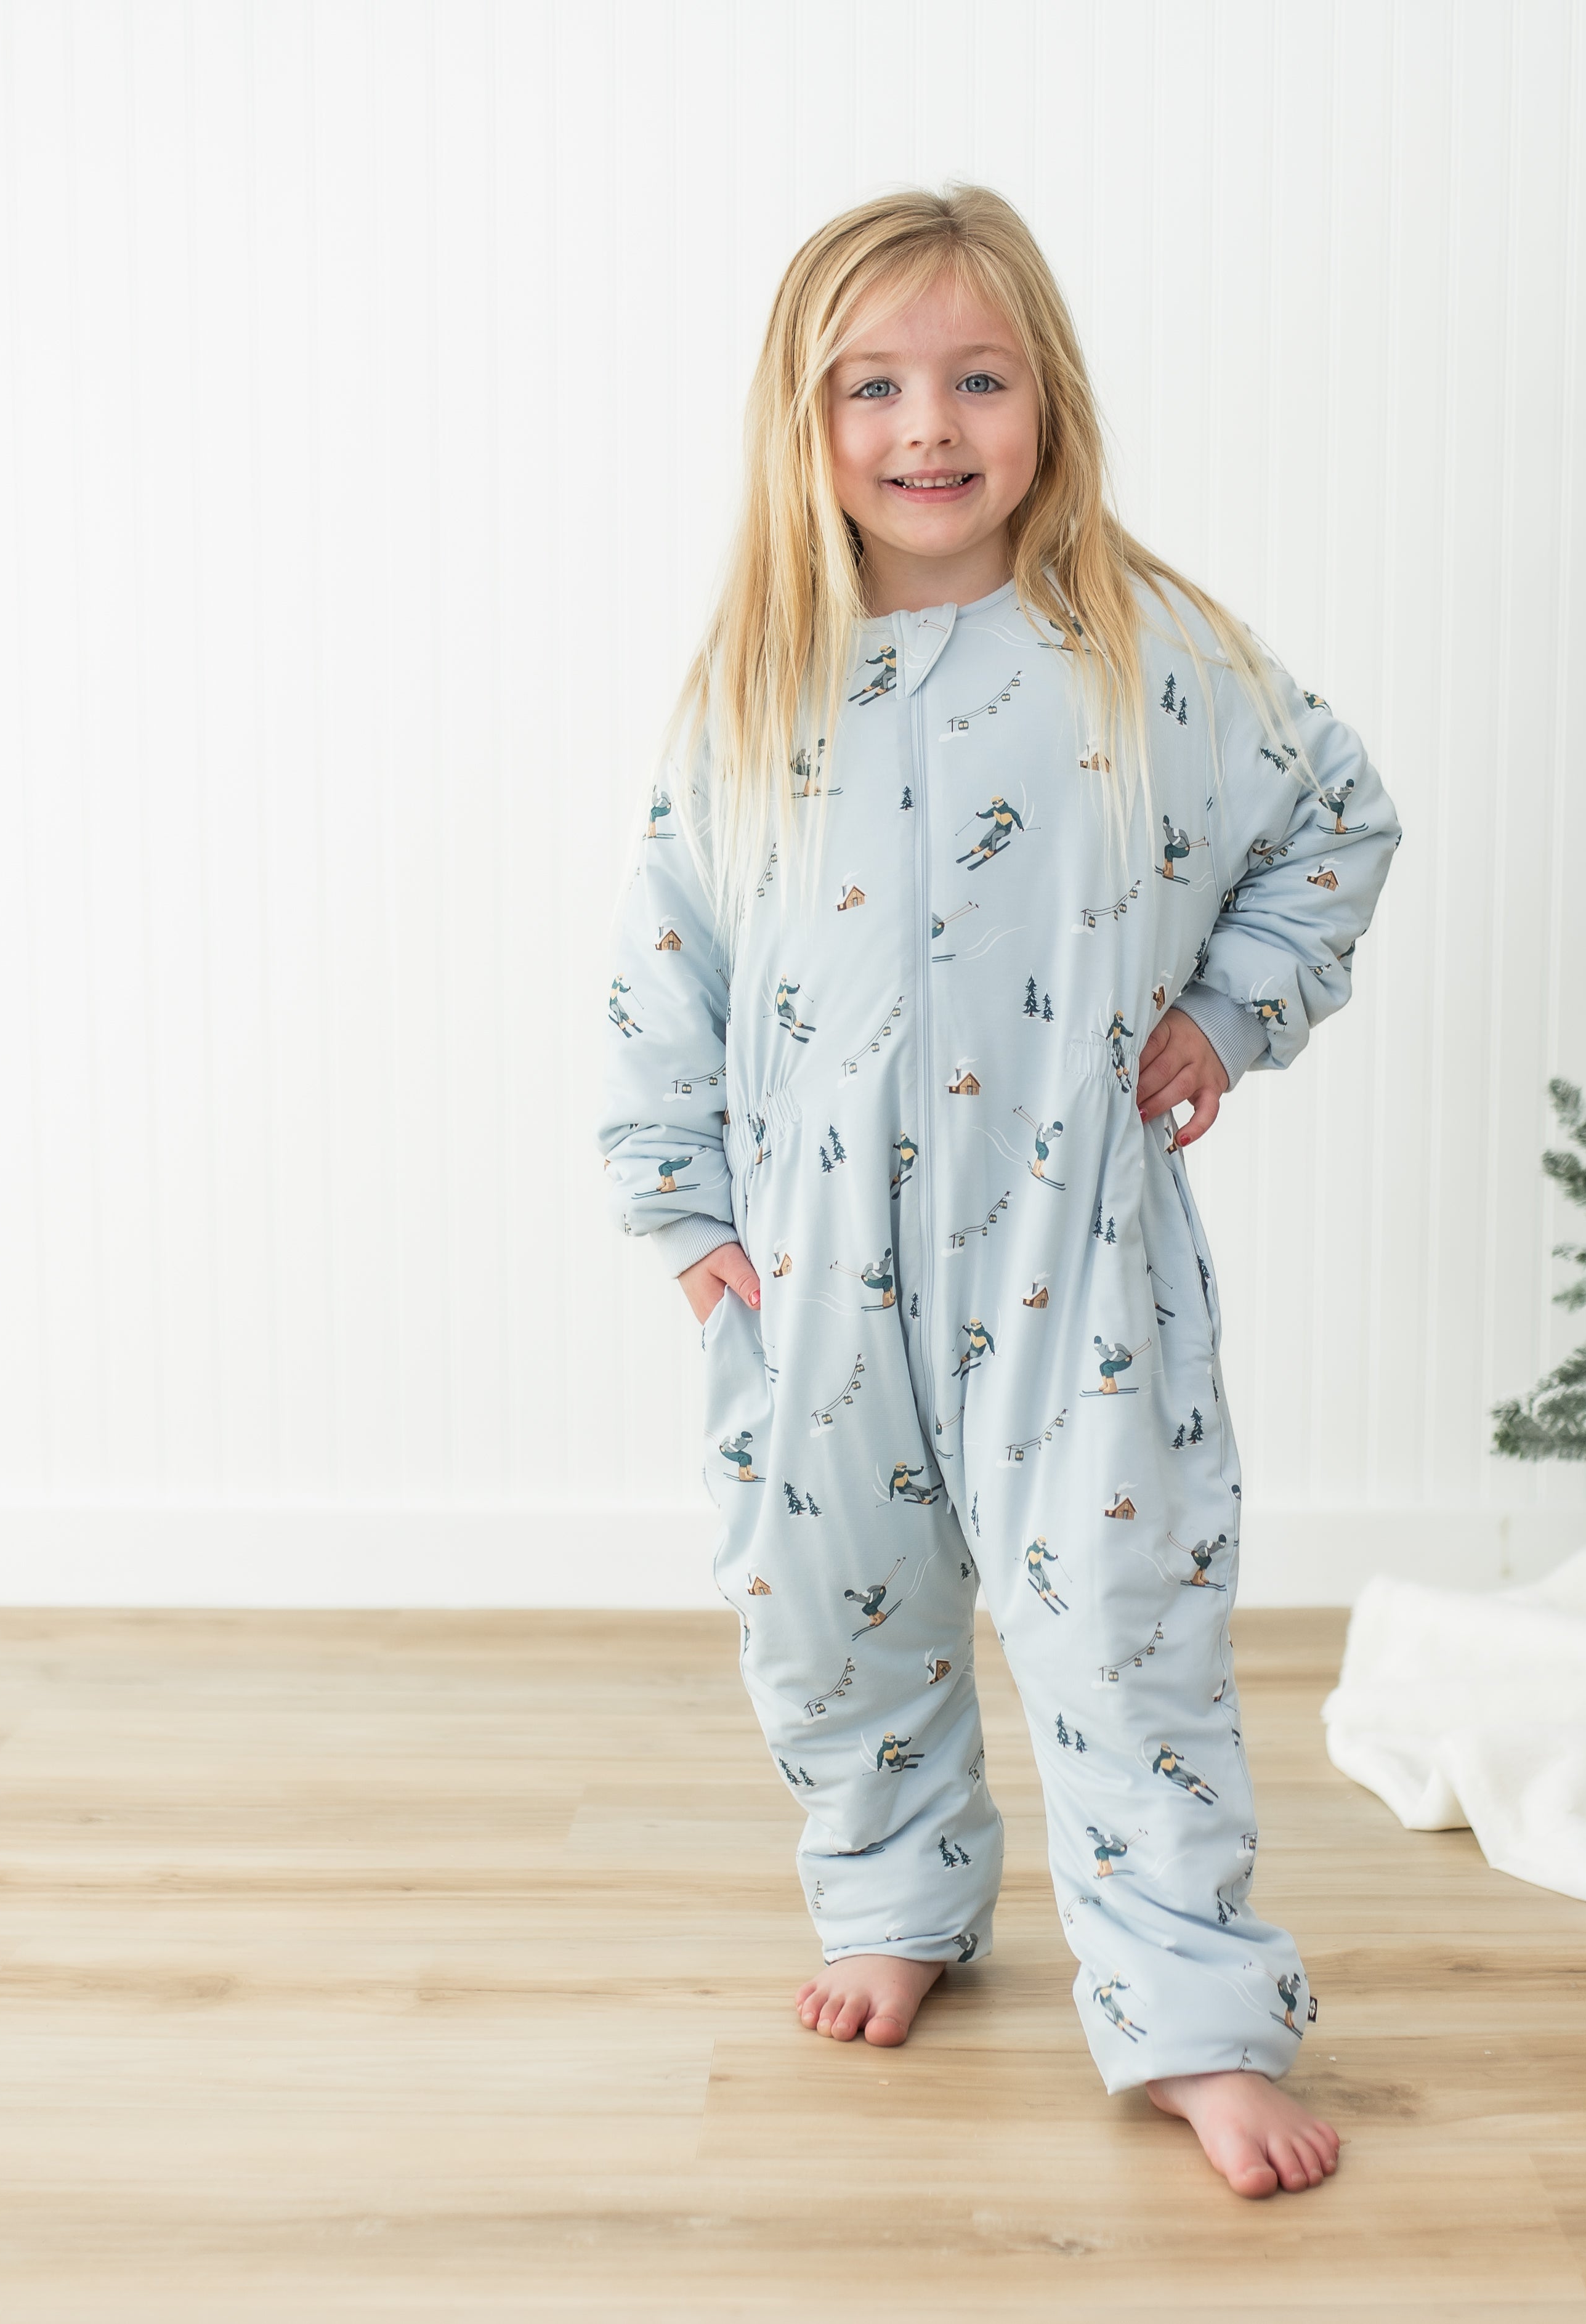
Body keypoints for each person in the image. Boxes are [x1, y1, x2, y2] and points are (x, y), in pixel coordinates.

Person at [595, 182, 1400, 2199]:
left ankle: (1196, 2014)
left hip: (1077, 1246)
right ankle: (892, 1896)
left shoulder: (1140, 648)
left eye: (974, 378)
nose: (925, 426)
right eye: (871, 386)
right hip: (810, 1264)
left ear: (1048, 399)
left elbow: (1337, 814)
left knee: (1124, 1627)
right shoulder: (756, 679)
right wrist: (687, 1222)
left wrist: (1233, 1008)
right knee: (825, 1611)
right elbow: (662, 955)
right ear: (808, 417)